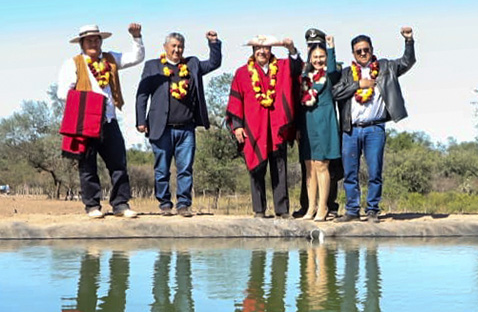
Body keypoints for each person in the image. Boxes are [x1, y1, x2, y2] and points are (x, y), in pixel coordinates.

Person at [57, 23, 145, 219]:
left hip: (109, 120)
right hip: (86, 122)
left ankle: (120, 204)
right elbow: (63, 93)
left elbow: (137, 57)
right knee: (87, 166)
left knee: (118, 163)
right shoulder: (73, 63)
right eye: (89, 40)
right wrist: (89, 100)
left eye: (97, 39)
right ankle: (92, 205)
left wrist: (137, 37)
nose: (94, 43)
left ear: (101, 41)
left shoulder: (111, 59)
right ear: (81, 43)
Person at [331, 27, 416, 223]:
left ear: (371, 49)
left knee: (375, 171)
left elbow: (407, 62)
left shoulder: (385, 67)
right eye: (358, 51)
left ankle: (372, 210)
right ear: (353, 53)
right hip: (351, 129)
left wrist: (409, 41)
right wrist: (358, 85)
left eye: (366, 50)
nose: (363, 54)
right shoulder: (346, 73)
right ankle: (352, 210)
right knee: (349, 173)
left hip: (375, 128)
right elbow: (335, 94)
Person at [135, 31, 223, 217]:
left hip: (186, 128)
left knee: (185, 169)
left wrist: (213, 43)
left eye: (180, 46)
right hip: (161, 127)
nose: (177, 49)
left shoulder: (192, 64)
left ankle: (183, 204)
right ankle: (165, 204)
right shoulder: (153, 66)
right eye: (173, 46)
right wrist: (141, 120)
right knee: (162, 169)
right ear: (165, 47)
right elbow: (142, 95)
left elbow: (214, 63)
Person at [226, 35, 302, 218]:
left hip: (277, 127)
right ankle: (259, 210)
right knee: (256, 168)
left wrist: (291, 49)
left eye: (266, 48)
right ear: (253, 51)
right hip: (254, 128)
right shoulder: (243, 72)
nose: (262, 51)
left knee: (280, 168)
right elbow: (235, 101)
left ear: (271, 50)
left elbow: (297, 67)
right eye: (258, 48)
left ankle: (282, 210)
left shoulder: (282, 67)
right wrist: (237, 126)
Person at [295, 29, 342, 222]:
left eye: (321, 56)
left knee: (322, 165)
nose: (318, 60)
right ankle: (310, 208)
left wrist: (330, 47)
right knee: (309, 166)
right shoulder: (305, 77)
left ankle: (323, 208)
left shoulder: (331, 75)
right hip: (308, 124)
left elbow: (331, 68)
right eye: (315, 57)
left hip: (325, 123)